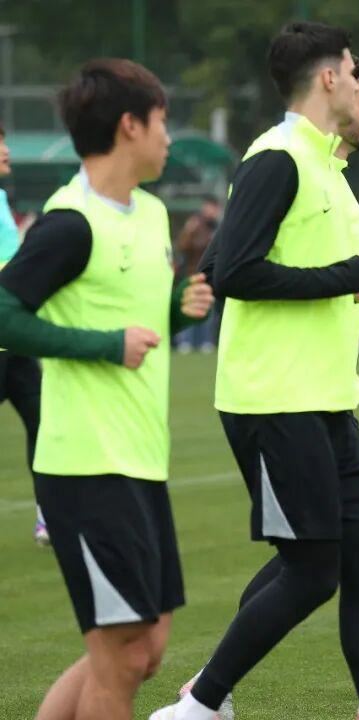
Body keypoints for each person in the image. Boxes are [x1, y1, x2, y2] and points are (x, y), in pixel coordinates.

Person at [148, 23, 359, 720]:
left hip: (325, 397)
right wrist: (344, 276)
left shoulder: (326, 169)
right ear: (329, 78)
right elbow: (231, 272)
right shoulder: (277, 157)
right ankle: (200, 704)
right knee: (314, 569)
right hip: (273, 398)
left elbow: (265, 265)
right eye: (353, 70)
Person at [0, 58, 213, 720]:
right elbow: (4, 311)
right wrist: (104, 345)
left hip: (142, 458)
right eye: (162, 121)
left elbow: (136, 319)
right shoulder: (71, 222)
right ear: (130, 126)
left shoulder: (151, 214)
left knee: (145, 650)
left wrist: (179, 310)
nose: (168, 137)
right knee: (120, 657)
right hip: (85, 464)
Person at [0, 120, 49, 546]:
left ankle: (47, 514)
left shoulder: (1, 198)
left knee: (43, 420)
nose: (6, 150)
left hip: (15, 337)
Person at [174, 196, 221, 353]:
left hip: (212, 275)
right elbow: (183, 246)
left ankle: (205, 341)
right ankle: (186, 341)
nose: (212, 211)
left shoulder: (217, 226)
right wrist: (189, 231)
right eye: (210, 207)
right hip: (193, 273)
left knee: (207, 308)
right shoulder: (195, 224)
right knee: (191, 305)